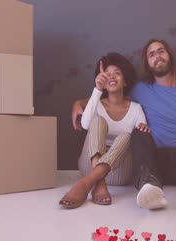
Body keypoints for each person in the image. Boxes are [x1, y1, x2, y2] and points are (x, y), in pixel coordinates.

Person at [72, 40, 176, 218]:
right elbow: (113, 96)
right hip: (151, 159)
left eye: (161, 51)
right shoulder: (140, 90)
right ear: (148, 63)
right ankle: (149, 187)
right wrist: (79, 103)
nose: (157, 56)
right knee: (139, 132)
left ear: (169, 55)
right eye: (151, 54)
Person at [60, 52, 150, 209]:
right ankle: (98, 181)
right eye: (107, 74)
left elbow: (141, 136)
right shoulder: (97, 103)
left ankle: (86, 183)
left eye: (117, 73)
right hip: (89, 165)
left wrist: (143, 129)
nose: (112, 77)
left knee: (128, 135)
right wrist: (97, 89)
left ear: (125, 82)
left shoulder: (136, 109)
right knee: (97, 122)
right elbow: (86, 125)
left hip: (119, 172)